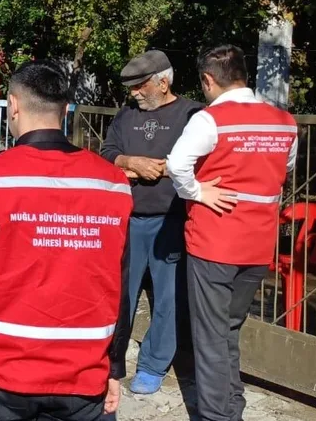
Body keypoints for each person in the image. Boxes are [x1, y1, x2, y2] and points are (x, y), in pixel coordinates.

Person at [0, 61, 133, 421]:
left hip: (3, 372)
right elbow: (122, 284)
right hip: (84, 373)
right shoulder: (113, 182)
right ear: (65, 109)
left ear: (13, 105)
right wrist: (115, 365)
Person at [166, 44, 297, 421]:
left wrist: (197, 191)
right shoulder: (285, 121)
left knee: (209, 337)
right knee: (229, 329)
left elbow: (177, 164)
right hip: (259, 242)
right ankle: (231, 405)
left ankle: (216, 415)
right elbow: (284, 171)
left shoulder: (211, 119)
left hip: (214, 240)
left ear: (208, 80)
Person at [99, 50, 201, 394]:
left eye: (140, 86)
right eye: (131, 88)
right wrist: (130, 162)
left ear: (163, 81)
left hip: (172, 220)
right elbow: (107, 152)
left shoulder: (192, 114)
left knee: (168, 299)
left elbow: (202, 161)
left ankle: (153, 366)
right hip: (126, 219)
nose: (134, 94)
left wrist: (158, 169)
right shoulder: (126, 115)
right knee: (118, 295)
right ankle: (109, 361)